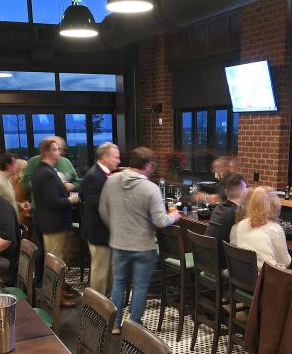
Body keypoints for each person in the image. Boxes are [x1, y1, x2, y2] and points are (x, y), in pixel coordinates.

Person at [100, 147, 181, 332]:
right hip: (144, 246)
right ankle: (134, 325)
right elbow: (161, 221)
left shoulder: (111, 181)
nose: (153, 168)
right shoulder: (150, 188)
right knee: (140, 286)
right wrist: (174, 216)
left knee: (119, 283)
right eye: (152, 165)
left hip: (119, 242)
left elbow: (103, 210)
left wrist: (116, 228)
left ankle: (115, 323)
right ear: (147, 165)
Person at [31, 137, 80, 305]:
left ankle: (59, 293)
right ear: (47, 152)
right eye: (56, 149)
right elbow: (53, 201)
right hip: (54, 225)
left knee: (58, 261)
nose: (59, 152)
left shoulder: (44, 170)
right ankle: (55, 298)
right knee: (56, 263)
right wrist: (71, 200)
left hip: (52, 223)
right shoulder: (45, 173)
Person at [80, 142, 120, 295]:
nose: (119, 161)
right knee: (100, 272)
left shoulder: (103, 174)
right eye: (116, 157)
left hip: (105, 232)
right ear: (105, 158)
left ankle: (106, 304)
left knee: (108, 271)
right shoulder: (94, 176)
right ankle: (95, 308)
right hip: (99, 232)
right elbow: (97, 205)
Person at [230, 186, 291, 269]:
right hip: (266, 279)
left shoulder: (240, 225)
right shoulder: (275, 229)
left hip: (242, 277)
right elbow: (284, 263)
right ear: (275, 206)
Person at [205, 173, 248, 245]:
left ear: (225, 192)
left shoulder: (218, 207)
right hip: (220, 255)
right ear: (244, 193)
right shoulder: (237, 214)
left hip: (207, 253)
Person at [0, 152, 22, 219]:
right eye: (15, 163)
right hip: (5, 224)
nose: (17, 166)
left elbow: (6, 201)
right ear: (8, 165)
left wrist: (19, 205)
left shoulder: (7, 181)